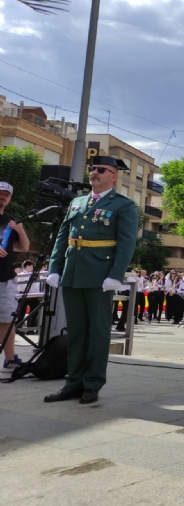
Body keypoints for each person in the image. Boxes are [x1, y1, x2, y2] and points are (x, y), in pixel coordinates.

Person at [43, 156, 138, 404]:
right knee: (76, 332)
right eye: (92, 169)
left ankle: (92, 383)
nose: (94, 173)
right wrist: (55, 267)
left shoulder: (123, 205)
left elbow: (126, 244)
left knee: (97, 332)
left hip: (100, 275)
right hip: (73, 273)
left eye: (100, 170)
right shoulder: (78, 202)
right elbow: (63, 237)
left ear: (113, 176)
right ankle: (73, 382)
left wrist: (115, 275)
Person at [0, 181, 30, 376]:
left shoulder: (11, 220)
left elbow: (24, 248)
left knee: (6, 320)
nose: (2, 197)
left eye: (6, 194)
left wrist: (20, 230)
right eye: (0, 193)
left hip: (5, 278)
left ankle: (10, 359)